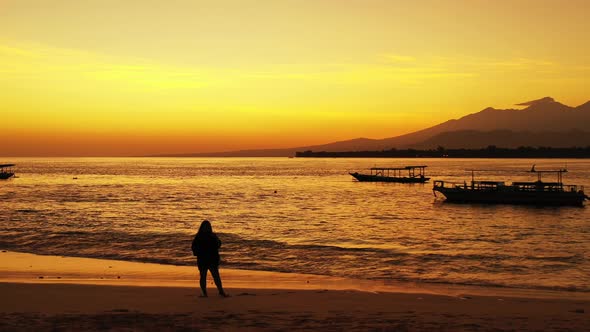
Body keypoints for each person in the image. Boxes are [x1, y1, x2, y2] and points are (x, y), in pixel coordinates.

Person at [191, 220, 228, 297]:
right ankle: (205, 293)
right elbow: (194, 247)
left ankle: (220, 291)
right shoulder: (200, 236)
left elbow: (219, 244)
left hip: (211, 259)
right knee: (203, 276)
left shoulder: (211, 236)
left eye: (208, 227)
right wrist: (197, 253)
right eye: (206, 227)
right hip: (204, 259)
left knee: (215, 276)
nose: (207, 228)